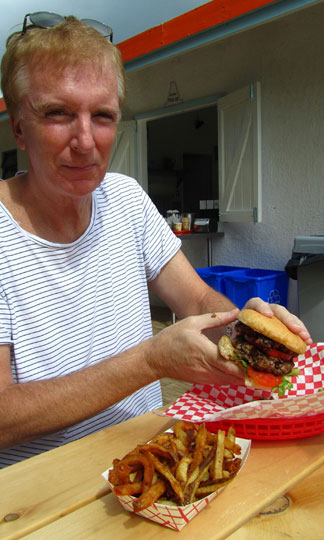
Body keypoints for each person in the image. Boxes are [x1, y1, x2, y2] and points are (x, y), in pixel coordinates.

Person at [0, 14, 311, 468]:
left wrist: (250, 329)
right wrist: (150, 362)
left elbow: (197, 300)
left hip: (155, 461)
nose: (85, 141)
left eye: (102, 116)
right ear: (19, 127)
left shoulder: (124, 198)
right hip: (43, 496)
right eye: (58, 113)